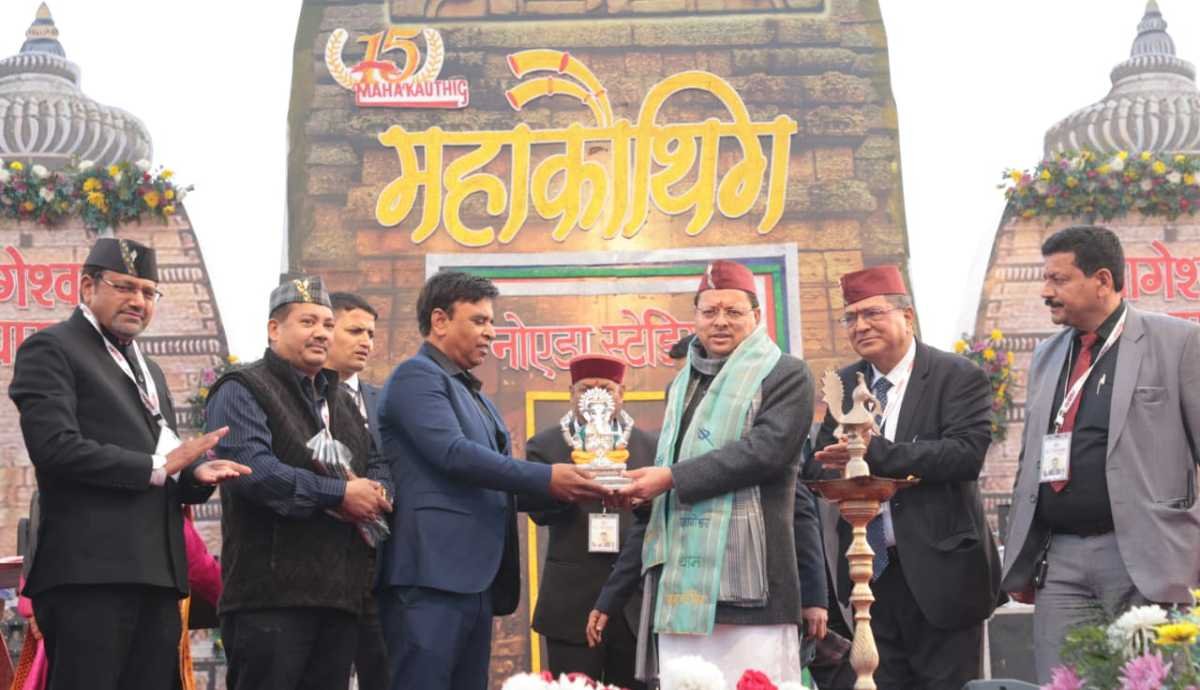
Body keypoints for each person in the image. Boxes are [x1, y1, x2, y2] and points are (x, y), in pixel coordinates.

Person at [9, 237, 249, 690]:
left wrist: (193, 475)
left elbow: (163, 458)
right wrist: (158, 465)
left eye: (148, 292)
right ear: (87, 286)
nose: (138, 301)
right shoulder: (52, 349)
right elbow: (55, 448)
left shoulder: (149, 369)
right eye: (125, 287)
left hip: (157, 577)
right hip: (89, 575)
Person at [376, 270, 610, 690]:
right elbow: (454, 455)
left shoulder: (476, 397)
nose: (491, 332)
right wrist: (547, 477)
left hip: (474, 582)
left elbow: (496, 482)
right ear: (440, 321)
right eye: (479, 320)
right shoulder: (417, 377)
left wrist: (579, 490)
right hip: (429, 577)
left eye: (492, 322)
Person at [1001, 225, 1200, 680]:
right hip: (1060, 558)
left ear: (1103, 280)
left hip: (1146, 558)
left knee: (1151, 682)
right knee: (1063, 681)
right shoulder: (1048, 355)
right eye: (1045, 278)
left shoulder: (1178, 342)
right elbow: (1032, 457)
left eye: (1058, 279)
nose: (1045, 292)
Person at [614, 259, 815, 687]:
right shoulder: (680, 384)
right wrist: (646, 491)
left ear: (755, 316)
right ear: (696, 318)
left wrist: (670, 478)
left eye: (733, 311)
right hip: (681, 586)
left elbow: (766, 452)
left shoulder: (786, 374)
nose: (720, 321)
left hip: (755, 578)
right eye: (710, 311)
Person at [805, 265, 1001, 690]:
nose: (860, 325)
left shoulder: (955, 375)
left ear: (907, 316)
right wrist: (833, 464)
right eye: (851, 317)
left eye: (872, 313)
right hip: (869, 574)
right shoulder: (845, 383)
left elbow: (965, 455)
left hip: (942, 574)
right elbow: (820, 465)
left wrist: (874, 453)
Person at [206, 276, 394, 690]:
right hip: (270, 599)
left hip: (340, 597)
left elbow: (376, 461)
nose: (322, 333)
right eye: (308, 322)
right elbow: (253, 471)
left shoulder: (340, 400)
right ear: (274, 329)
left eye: (328, 324)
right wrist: (340, 494)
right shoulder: (242, 387)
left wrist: (377, 492)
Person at [526, 354, 655, 690]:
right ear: (571, 394)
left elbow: (659, 518)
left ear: (622, 394)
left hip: (633, 604)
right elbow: (537, 512)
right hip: (571, 604)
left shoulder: (650, 446)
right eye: (586, 389)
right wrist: (568, 490)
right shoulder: (545, 445)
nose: (596, 397)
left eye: (606, 389)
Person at [327, 291, 388, 690]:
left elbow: (392, 463)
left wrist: (382, 493)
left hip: (377, 567)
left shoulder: (384, 400)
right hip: (319, 564)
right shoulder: (299, 396)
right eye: (354, 331)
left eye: (371, 333)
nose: (366, 341)